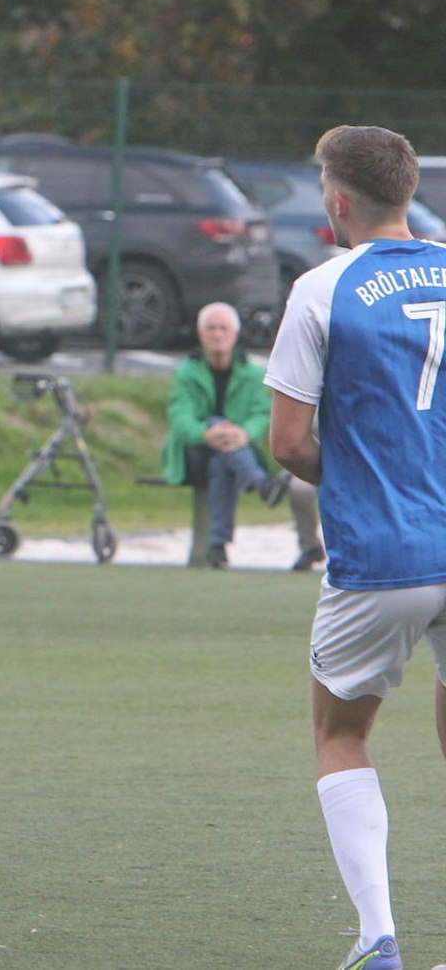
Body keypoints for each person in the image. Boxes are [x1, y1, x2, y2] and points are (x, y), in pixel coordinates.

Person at [265, 124, 446, 970]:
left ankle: (379, 938)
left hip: (382, 552)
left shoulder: (321, 289)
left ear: (337, 201)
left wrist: (366, 473)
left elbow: (289, 443)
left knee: (341, 732)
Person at [161, 301, 293, 569]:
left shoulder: (253, 374)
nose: (217, 334)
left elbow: (262, 414)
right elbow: (180, 418)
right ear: (201, 335)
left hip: (234, 453)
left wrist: (244, 433)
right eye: (211, 328)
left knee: (221, 462)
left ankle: (217, 547)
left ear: (234, 334)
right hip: (193, 453)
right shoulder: (186, 373)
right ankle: (261, 485)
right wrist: (207, 433)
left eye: (223, 328)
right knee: (216, 423)